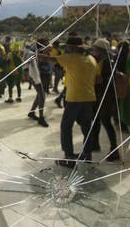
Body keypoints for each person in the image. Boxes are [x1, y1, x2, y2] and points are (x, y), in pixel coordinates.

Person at [42, 36, 97, 166]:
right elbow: (98, 79)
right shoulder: (91, 59)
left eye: (67, 46)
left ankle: (69, 158)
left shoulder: (71, 58)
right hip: (89, 98)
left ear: (72, 48)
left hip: (74, 98)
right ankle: (87, 155)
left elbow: (47, 59)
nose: (66, 48)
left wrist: (38, 53)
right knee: (87, 127)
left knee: (66, 127)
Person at [89, 39, 120, 161]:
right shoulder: (101, 61)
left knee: (106, 122)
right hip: (98, 96)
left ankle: (114, 150)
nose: (93, 51)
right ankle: (95, 144)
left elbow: (103, 81)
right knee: (95, 120)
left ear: (101, 51)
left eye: (95, 49)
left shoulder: (108, 63)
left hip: (105, 97)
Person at [25, 40, 48, 127]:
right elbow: (26, 64)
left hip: (43, 76)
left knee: (40, 95)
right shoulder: (32, 54)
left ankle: (32, 112)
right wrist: (26, 75)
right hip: (36, 77)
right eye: (46, 44)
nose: (48, 46)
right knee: (42, 96)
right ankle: (41, 117)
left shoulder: (42, 53)